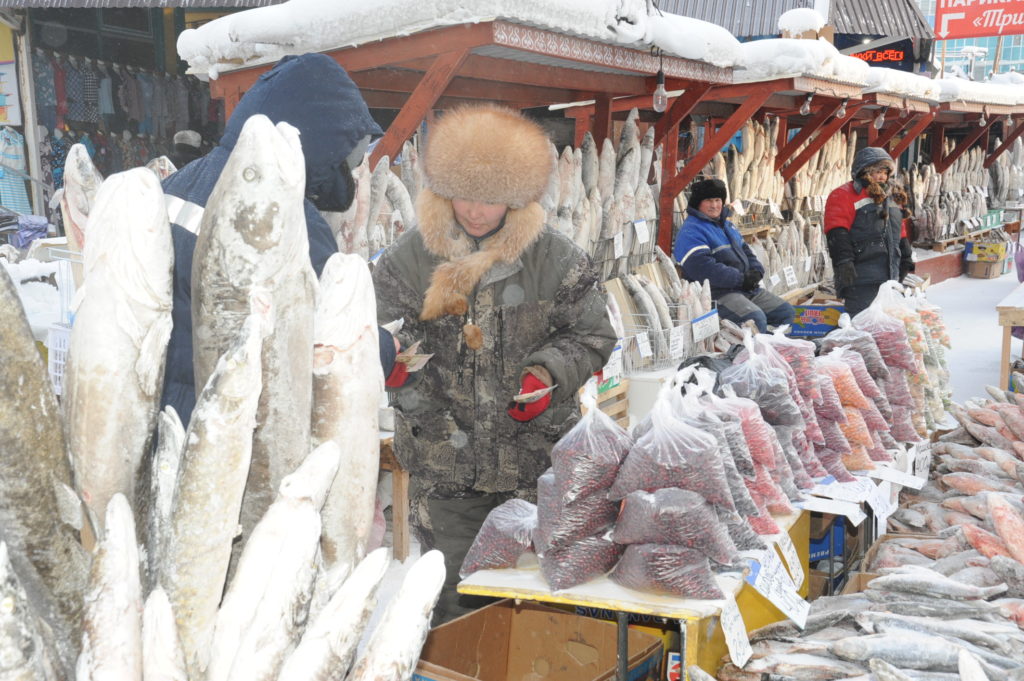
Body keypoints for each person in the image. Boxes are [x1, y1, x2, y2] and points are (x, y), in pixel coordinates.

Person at [372, 105, 616, 623]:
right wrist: (394, 369)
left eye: (491, 199)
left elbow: (593, 334)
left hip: (537, 467)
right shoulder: (408, 260)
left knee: (536, 603)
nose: (476, 211)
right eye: (464, 195)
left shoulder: (556, 258)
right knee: (459, 603)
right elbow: (373, 333)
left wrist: (548, 375)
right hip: (445, 468)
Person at [160, 53, 397, 426]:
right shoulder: (287, 215)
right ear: (319, 139)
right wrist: (387, 349)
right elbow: (325, 341)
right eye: (345, 153)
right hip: (234, 426)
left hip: (159, 410)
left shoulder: (175, 184)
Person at [673, 178, 794, 332]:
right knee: (755, 320)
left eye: (717, 200)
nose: (715, 205)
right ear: (698, 203)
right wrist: (741, 279)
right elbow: (704, 269)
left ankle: (778, 351)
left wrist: (756, 272)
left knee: (786, 313)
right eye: (708, 200)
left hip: (745, 289)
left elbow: (747, 251)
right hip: (718, 294)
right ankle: (752, 354)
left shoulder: (727, 225)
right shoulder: (691, 231)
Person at [823, 147, 915, 317]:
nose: (882, 176)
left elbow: (899, 229)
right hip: (861, 275)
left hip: (890, 273)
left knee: (887, 327)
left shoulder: (891, 195)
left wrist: (906, 254)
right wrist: (843, 261)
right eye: (877, 171)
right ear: (863, 171)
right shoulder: (844, 194)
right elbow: (836, 230)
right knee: (862, 323)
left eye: (885, 172)